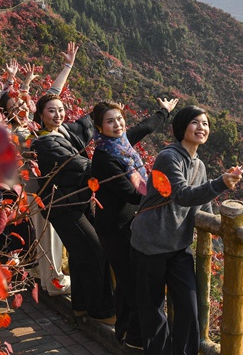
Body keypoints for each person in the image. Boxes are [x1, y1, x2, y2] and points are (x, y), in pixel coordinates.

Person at [130, 106, 243, 355]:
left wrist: (217, 231)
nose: (201, 127)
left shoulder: (198, 164)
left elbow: (203, 205)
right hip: (151, 242)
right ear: (182, 127)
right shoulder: (169, 157)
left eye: (205, 123)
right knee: (153, 309)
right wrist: (221, 183)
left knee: (189, 308)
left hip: (178, 246)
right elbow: (181, 195)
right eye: (195, 122)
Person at [91, 97, 178, 349]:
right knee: (132, 283)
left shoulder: (121, 144)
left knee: (127, 280)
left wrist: (165, 111)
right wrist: (166, 190)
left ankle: (124, 331)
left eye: (119, 119)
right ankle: (135, 340)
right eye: (110, 121)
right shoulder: (105, 157)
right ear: (99, 127)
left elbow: (146, 126)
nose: (117, 124)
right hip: (114, 229)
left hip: (128, 224)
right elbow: (130, 194)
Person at [0, 43, 80, 296]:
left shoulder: (29, 123)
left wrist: (68, 66)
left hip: (44, 188)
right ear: (7, 114)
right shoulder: (18, 132)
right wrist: (10, 81)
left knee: (47, 235)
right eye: (15, 108)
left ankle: (45, 277)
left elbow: (53, 93)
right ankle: (54, 283)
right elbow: (5, 103)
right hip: (38, 190)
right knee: (48, 235)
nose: (21, 108)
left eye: (23, 105)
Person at [30, 73, 116, 325]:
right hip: (64, 208)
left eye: (61, 110)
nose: (57, 115)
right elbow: (78, 164)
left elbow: (92, 120)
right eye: (51, 111)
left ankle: (80, 306)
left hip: (79, 203)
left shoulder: (66, 132)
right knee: (95, 251)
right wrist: (115, 167)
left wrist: (156, 115)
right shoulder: (44, 144)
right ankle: (100, 311)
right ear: (41, 115)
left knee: (81, 255)